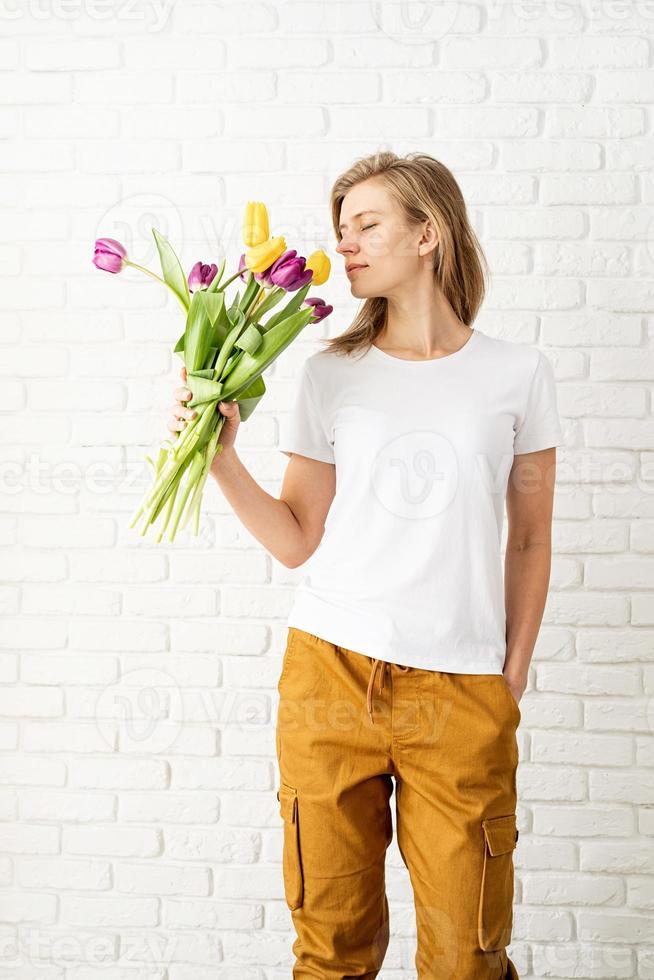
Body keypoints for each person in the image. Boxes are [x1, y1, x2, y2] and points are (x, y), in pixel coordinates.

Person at [169, 151, 564, 979]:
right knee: (331, 952)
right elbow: (296, 539)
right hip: (329, 676)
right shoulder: (329, 375)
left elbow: (527, 537)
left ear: (430, 233)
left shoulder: (518, 374)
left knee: (468, 957)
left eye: (366, 225)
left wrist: (511, 673)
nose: (343, 244)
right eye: (340, 227)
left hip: (461, 691)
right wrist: (219, 456)